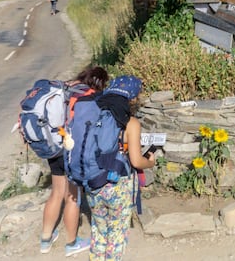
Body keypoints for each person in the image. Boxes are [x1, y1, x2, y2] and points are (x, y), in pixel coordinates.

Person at [40, 66, 109, 256]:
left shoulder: (66, 88)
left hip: (54, 144)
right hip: (71, 150)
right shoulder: (89, 96)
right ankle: (71, 243)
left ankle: (45, 239)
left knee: (56, 192)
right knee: (73, 197)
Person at [87, 75, 157, 260]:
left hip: (93, 181)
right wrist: (150, 161)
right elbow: (136, 161)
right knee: (116, 236)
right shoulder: (130, 123)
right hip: (118, 185)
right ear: (132, 97)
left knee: (99, 231)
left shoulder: (94, 113)